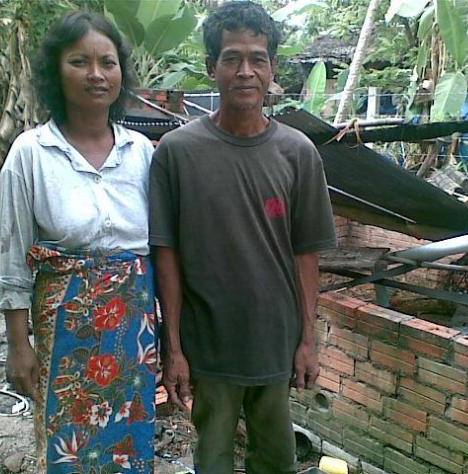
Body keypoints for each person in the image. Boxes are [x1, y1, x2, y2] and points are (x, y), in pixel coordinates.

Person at [149, 2, 336, 473]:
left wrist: (308, 341)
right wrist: (174, 349)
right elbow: (166, 256)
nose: (245, 71)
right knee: (212, 458)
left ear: (272, 68)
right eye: (232, 58)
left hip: (276, 343)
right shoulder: (178, 153)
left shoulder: (297, 153)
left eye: (258, 59)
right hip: (208, 347)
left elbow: (306, 255)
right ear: (211, 66)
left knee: (275, 459)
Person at [0, 11, 158, 473]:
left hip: (134, 329)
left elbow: (163, 249)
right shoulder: (31, 153)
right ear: (56, 71)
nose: (96, 74)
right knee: (68, 448)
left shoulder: (140, 153)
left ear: (121, 73)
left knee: (129, 443)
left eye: (107, 62)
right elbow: (13, 259)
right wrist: (18, 344)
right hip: (65, 328)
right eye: (79, 62)